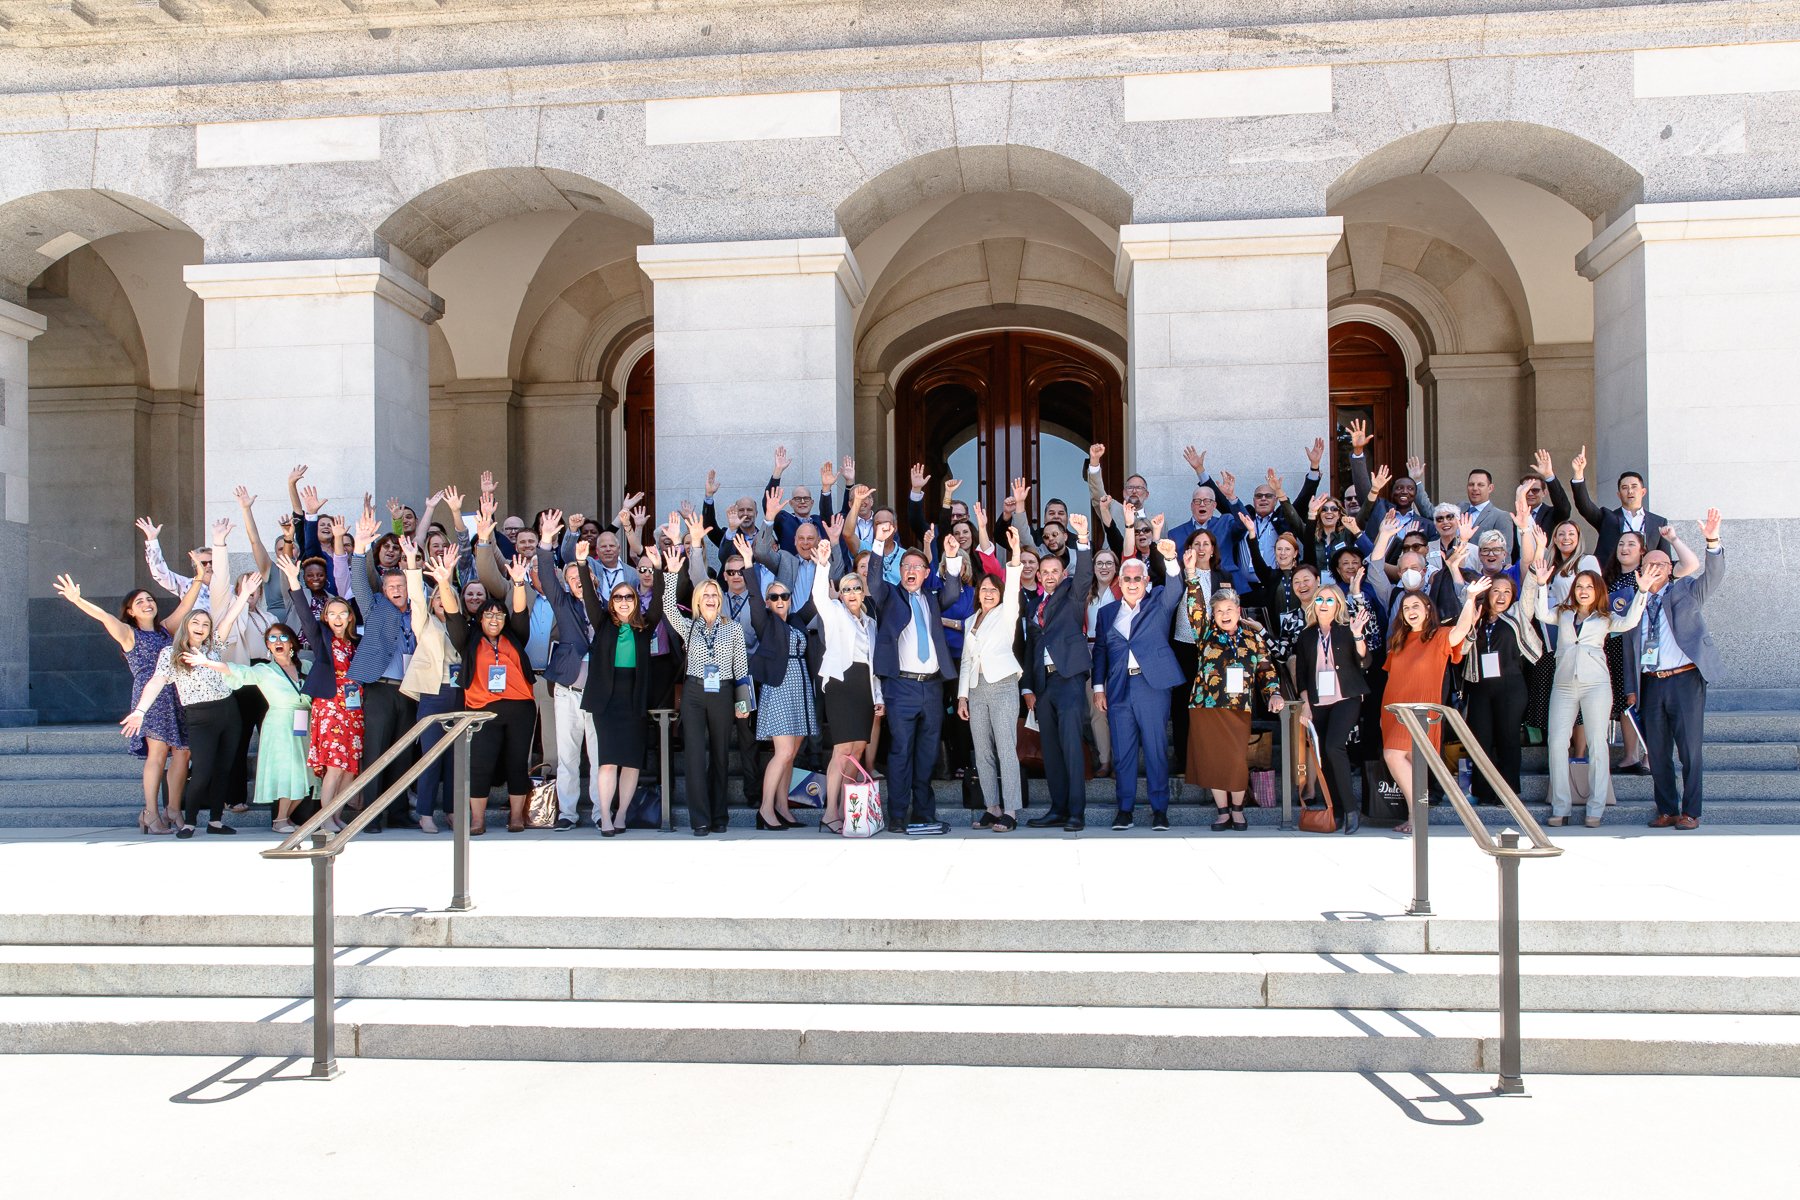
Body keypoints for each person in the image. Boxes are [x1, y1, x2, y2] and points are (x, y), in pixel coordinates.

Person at [53, 568, 201, 834]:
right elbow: (104, 616)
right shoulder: (128, 634)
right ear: (131, 611)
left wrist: (200, 578)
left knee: (183, 752)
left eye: (150, 599)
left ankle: (173, 809)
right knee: (157, 753)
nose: (147, 603)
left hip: (176, 693)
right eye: (139, 602)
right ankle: (150, 813)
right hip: (150, 696)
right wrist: (77, 599)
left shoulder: (166, 630)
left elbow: (187, 605)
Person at [120, 572, 262, 838]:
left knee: (224, 768)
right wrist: (139, 711)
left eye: (205, 624)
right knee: (202, 771)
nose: (201, 627)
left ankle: (216, 821)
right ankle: (189, 822)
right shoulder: (170, 653)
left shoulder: (213, 648)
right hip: (198, 716)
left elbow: (229, 619)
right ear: (186, 626)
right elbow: (155, 682)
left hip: (228, 712)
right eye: (195, 622)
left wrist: (243, 595)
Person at [1625, 509, 1725, 829]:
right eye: (1649, 564)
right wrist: (1630, 687)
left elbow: (1713, 574)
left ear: (1671, 570)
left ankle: (1691, 812)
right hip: (1651, 683)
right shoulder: (1634, 602)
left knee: (1689, 750)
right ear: (1640, 570)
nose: (1654, 569)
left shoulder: (1685, 591)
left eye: (1661, 565)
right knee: (1657, 751)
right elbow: (1627, 649)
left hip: (1684, 679)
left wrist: (1710, 539)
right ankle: (1667, 808)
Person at [1537, 563, 1657, 827]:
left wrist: (1642, 592)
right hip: (1565, 684)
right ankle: (1560, 806)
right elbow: (1541, 613)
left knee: (1597, 743)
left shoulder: (1604, 616)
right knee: (1557, 741)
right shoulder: (1564, 613)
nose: (1583, 591)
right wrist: (1542, 584)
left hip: (1596, 685)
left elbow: (1630, 622)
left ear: (1597, 590)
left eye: (1588, 587)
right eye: (1579, 586)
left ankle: (1596, 807)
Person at [866, 525, 965, 836]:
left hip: (932, 686)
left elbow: (952, 591)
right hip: (901, 687)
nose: (910, 571)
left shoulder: (932, 598)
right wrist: (880, 542)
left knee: (926, 753)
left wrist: (950, 557)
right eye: (905, 566)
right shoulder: (889, 596)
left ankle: (923, 814)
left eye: (917, 567)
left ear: (925, 573)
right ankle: (896, 815)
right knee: (900, 752)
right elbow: (873, 580)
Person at [182, 622, 316, 834]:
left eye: (282, 637)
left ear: (292, 642)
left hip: (305, 723)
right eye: (272, 639)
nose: (277, 642)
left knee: (306, 774)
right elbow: (236, 670)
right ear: (268, 647)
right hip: (280, 725)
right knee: (288, 771)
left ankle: (286, 817)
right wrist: (206, 662)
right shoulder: (264, 670)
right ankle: (280, 819)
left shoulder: (307, 667)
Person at [660, 537, 751, 835]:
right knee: (697, 756)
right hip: (695, 692)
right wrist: (672, 573)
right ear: (698, 600)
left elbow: (742, 669)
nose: (711, 598)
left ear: (720, 599)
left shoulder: (733, 628)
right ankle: (700, 819)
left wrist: (743, 704)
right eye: (706, 594)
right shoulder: (689, 626)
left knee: (721, 755)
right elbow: (669, 608)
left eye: (715, 594)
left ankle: (719, 815)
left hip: (723, 693)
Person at [1091, 538, 1184, 831]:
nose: (1132, 583)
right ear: (1120, 581)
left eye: (1137, 578)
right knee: (1123, 752)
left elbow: (1175, 589)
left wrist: (1170, 560)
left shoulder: (1158, 602)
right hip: (1119, 689)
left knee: (1156, 750)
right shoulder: (1107, 613)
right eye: (1127, 579)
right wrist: (1098, 688)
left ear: (1146, 580)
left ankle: (1159, 810)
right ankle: (1125, 810)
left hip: (1152, 686)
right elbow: (1102, 651)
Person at [1380, 581, 1487, 834]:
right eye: (1406, 608)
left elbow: (1461, 630)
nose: (1410, 611)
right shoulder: (1398, 640)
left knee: (1392, 756)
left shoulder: (1439, 636)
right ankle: (1414, 815)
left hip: (1421, 711)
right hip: (1393, 710)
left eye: (1415, 605)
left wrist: (1470, 598)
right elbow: (1390, 678)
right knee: (1405, 761)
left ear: (1428, 609)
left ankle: (1417, 815)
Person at [730, 532, 818, 831]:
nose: (780, 600)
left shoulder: (795, 621)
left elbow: (816, 602)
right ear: (768, 601)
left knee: (792, 753)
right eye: (774, 597)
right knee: (782, 752)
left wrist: (823, 564)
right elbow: (754, 595)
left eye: (784, 596)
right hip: (779, 690)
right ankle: (765, 810)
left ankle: (783, 806)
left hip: (800, 689)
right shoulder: (765, 622)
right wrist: (748, 563)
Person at [575, 539, 661, 836]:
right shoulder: (603, 623)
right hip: (607, 703)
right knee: (608, 761)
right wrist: (583, 564)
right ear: (612, 602)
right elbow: (588, 596)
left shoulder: (644, 626)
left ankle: (622, 813)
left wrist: (660, 567)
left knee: (632, 762)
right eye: (619, 597)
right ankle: (607, 818)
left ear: (636, 601)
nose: (624, 601)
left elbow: (660, 600)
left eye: (629, 596)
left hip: (634, 700)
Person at [1184, 588, 1284, 831]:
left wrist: (1274, 693)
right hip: (1206, 707)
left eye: (1229, 609)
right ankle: (1222, 812)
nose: (1224, 614)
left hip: (1239, 707)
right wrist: (1191, 576)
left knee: (1237, 759)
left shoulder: (1252, 638)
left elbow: (1266, 669)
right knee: (1213, 760)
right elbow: (1195, 609)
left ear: (1238, 611)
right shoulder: (1206, 633)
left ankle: (1238, 810)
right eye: (1219, 611)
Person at [278, 551, 365, 829]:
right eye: (332, 613)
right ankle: (324, 818)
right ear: (326, 617)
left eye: (343, 613)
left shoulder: (355, 642)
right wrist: (294, 581)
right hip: (330, 708)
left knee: (349, 768)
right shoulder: (322, 637)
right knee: (335, 766)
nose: (338, 618)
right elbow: (304, 614)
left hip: (353, 710)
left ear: (350, 617)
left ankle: (337, 816)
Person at [347, 503, 420, 830]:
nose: (396, 591)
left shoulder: (417, 613)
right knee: (376, 751)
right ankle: (372, 815)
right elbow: (360, 583)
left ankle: (399, 811)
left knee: (404, 752)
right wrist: (361, 547)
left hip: (410, 689)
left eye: (401, 587)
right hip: (379, 687)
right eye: (391, 587)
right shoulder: (374, 605)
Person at [1021, 515, 1095, 830]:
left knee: (1070, 746)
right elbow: (1029, 649)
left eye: (1054, 571)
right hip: (1044, 685)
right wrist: (1027, 688)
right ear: (1038, 575)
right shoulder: (1032, 605)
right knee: (1050, 749)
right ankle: (1057, 808)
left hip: (1069, 680)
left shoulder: (1073, 596)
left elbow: (1085, 574)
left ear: (1062, 573)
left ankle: (1075, 812)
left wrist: (1083, 538)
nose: (1049, 576)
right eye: (1044, 571)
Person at [956, 527, 1029, 831]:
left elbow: (1012, 589)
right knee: (982, 751)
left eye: (993, 590)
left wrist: (1013, 555)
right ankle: (992, 807)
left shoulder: (1005, 612)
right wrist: (962, 696)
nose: (988, 593)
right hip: (976, 689)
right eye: (984, 589)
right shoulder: (971, 619)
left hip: (1002, 685)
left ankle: (1011, 811)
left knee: (1005, 748)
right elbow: (965, 660)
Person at [457, 561, 537, 834]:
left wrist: (517, 583)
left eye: (499, 616)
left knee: (517, 764)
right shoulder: (469, 640)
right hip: (482, 710)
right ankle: (477, 820)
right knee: (480, 765)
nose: (494, 620)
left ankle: (516, 817)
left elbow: (519, 611)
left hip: (520, 709)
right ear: (480, 619)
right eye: (488, 615)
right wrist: (445, 582)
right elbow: (454, 616)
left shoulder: (515, 636)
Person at [809, 540, 883, 834]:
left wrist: (878, 696)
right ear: (839, 594)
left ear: (863, 592)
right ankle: (829, 812)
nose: (852, 592)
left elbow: (874, 663)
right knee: (842, 749)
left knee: (859, 747)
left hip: (863, 685)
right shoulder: (835, 613)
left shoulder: (871, 623)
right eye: (846, 589)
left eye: (856, 588)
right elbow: (818, 596)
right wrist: (823, 564)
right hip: (841, 682)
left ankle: (846, 809)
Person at [1291, 585, 1374, 833]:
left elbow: (1365, 662)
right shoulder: (1306, 636)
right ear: (1313, 604)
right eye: (1319, 599)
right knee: (1324, 756)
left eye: (1329, 599)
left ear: (1338, 604)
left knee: (1333, 746)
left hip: (1346, 697)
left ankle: (1350, 809)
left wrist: (1358, 636)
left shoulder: (1347, 630)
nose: (1324, 603)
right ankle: (1335, 810)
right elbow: (1302, 674)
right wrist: (1305, 703)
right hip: (1318, 701)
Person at [1461, 569, 1544, 808]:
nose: (1501, 596)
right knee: (1481, 741)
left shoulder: (1517, 614)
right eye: (1496, 590)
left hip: (1511, 687)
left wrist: (1534, 545)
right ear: (1486, 594)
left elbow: (1529, 591)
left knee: (1508, 739)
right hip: (1479, 686)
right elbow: (1462, 649)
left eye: (1506, 591)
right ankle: (1483, 792)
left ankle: (1508, 793)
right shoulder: (1476, 617)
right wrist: (1471, 624)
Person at [1570, 445, 1666, 565]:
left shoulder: (1659, 522)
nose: (1630, 491)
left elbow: (1664, 558)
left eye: (1634, 487)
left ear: (1643, 492)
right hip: (1613, 578)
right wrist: (1578, 475)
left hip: (1646, 578)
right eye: (1624, 488)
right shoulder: (1607, 518)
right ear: (1619, 494)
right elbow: (1585, 506)